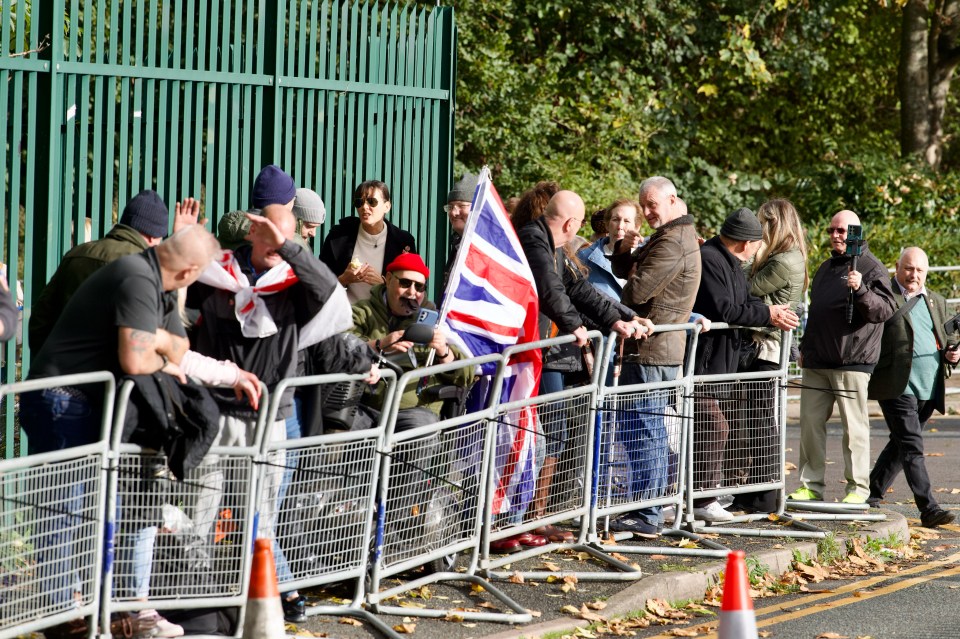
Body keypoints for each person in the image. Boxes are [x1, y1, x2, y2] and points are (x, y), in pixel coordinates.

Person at [20, 224, 223, 637]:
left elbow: (179, 350)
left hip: (88, 402)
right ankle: (63, 615)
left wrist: (162, 341)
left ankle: (98, 608)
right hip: (63, 400)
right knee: (64, 508)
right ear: (189, 272)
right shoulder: (135, 277)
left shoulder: (157, 282)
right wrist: (161, 344)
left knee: (98, 507)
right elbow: (136, 360)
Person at [188, 201, 351, 622]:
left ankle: (268, 606)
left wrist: (292, 250)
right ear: (251, 232)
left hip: (268, 419)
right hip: (216, 415)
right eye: (271, 236)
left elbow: (332, 294)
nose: (278, 245)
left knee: (259, 519)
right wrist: (182, 240)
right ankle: (197, 605)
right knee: (199, 512)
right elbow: (170, 291)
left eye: (287, 238)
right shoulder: (218, 273)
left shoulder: (293, 280)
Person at [517, 188, 650, 547]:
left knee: (557, 427)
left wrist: (624, 317)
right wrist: (575, 326)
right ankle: (528, 517)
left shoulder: (554, 245)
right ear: (572, 223)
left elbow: (581, 289)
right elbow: (550, 288)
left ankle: (538, 515)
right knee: (545, 429)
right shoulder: (534, 240)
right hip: (529, 352)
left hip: (546, 352)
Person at [690, 208, 800, 522]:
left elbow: (746, 301)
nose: (756, 251)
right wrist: (768, 315)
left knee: (716, 427)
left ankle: (707, 498)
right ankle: (702, 499)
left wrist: (771, 311)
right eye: (755, 244)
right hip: (705, 362)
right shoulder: (711, 258)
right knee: (714, 427)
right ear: (745, 244)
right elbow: (727, 309)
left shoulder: (730, 261)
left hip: (721, 361)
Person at [607, 176, 701, 538]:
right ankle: (648, 510)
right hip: (656, 350)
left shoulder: (673, 241)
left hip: (651, 351)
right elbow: (624, 273)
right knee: (648, 432)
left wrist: (633, 267)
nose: (646, 213)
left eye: (652, 205)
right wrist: (625, 251)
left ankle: (646, 513)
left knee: (643, 432)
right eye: (642, 205)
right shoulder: (672, 236)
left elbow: (635, 291)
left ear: (672, 199)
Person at [790, 210, 896, 504]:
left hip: (852, 362)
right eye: (832, 230)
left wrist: (860, 289)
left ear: (857, 234)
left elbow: (883, 311)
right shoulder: (825, 269)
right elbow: (818, 315)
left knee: (854, 430)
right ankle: (810, 485)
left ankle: (858, 489)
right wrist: (805, 350)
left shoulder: (872, 267)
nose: (836, 236)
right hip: (817, 362)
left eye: (843, 231)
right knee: (810, 426)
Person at [29, 189, 198, 352]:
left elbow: (40, 321)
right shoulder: (146, 266)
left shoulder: (76, 254)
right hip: (118, 374)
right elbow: (168, 324)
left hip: (64, 369)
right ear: (154, 236)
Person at [867, 247, 960, 527]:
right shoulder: (885, 296)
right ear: (897, 266)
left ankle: (871, 493)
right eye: (909, 268)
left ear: (926, 272)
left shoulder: (936, 301)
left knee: (901, 443)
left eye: (919, 270)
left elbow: (948, 336)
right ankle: (928, 507)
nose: (914, 275)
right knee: (912, 444)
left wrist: (952, 354)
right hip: (897, 384)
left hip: (929, 385)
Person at [729, 199, 808, 514]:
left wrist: (749, 255)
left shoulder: (782, 261)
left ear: (775, 225)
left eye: (762, 223)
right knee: (756, 421)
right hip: (765, 343)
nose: (757, 230)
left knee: (760, 423)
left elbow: (744, 288)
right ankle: (755, 493)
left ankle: (764, 495)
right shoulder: (785, 256)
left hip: (767, 345)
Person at [349, 252, 472, 427]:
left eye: (419, 287)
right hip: (365, 404)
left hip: (415, 409)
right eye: (405, 283)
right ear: (389, 279)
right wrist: (380, 345)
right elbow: (341, 344)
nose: (412, 292)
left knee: (421, 428)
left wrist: (443, 351)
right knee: (338, 430)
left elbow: (467, 374)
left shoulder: (437, 320)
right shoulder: (363, 311)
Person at [319, 180, 417, 303]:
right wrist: (343, 280)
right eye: (359, 202)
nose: (364, 207)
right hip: (345, 317)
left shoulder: (403, 242)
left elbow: (413, 290)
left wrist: (384, 285)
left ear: (387, 206)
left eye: (372, 202)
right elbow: (319, 284)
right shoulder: (337, 238)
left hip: (384, 318)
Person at [577, 199, 642, 301]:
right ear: (607, 224)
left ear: (637, 227)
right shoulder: (584, 257)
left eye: (626, 221)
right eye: (615, 219)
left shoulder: (647, 257)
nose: (620, 226)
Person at [442, 172, 478, 287]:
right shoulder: (458, 244)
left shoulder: (487, 248)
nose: (453, 213)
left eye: (461, 206)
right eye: (450, 207)